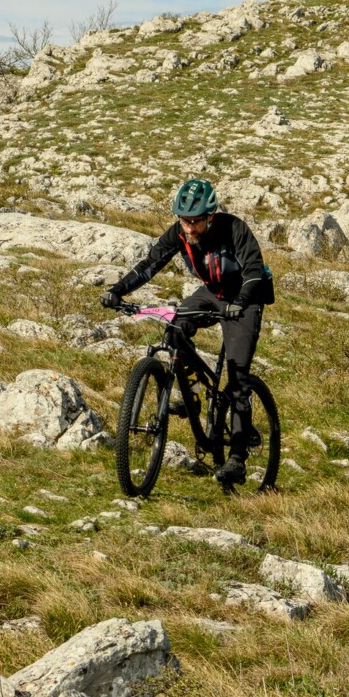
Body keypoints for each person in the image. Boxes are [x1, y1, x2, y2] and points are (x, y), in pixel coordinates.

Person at [101, 179, 273, 486]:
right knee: (175, 329)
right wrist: (118, 289)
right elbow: (149, 265)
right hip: (211, 293)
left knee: (237, 376)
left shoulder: (234, 229)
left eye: (195, 222)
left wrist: (242, 302)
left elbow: (254, 271)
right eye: (184, 221)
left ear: (210, 216)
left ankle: (236, 459)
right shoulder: (178, 233)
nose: (189, 229)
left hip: (245, 299)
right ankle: (193, 398)